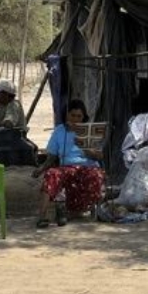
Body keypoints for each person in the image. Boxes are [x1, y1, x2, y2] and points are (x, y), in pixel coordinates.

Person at [31, 98, 104, 228]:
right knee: (52, 174)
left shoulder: (89, 130)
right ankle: (42, 216)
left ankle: (81, 211)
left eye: (79, 116)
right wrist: (41, 169)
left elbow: (99, 155)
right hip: (67, 167)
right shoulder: (59, 131)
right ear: (67, 115)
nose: (76, 119)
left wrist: (85, 146)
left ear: (83, 117)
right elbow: (52, 156)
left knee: (95, 175)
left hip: (87, 166)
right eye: (72, 115)